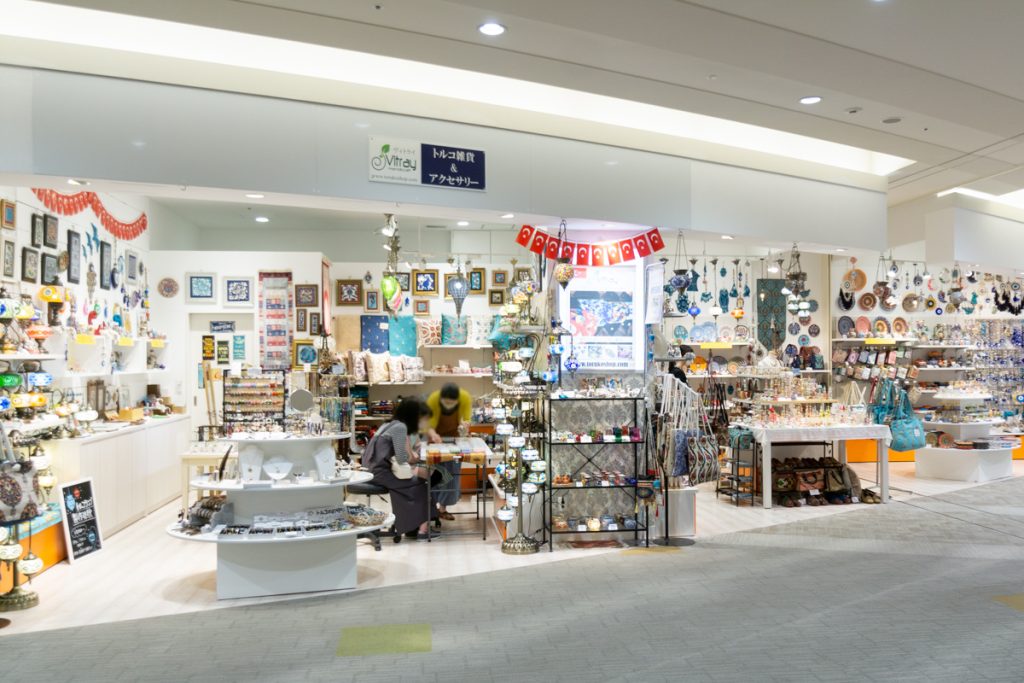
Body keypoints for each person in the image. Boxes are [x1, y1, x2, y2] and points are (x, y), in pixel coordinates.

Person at [361, 397, 439, 540]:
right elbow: (402, 458)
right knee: (422, 483)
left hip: (372, 470)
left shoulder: (388, 424)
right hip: (380, 473)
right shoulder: (400, 427)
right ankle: (422, 531)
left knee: (419, 479)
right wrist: (415, 459)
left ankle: (412, 527)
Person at [424, 382, 472, 520]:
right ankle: (432, 508)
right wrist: (433, 435)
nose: (449, 405)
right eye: (446, 402)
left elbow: (467, 419)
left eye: (452, 403)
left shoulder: (465, 397)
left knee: (451, 474)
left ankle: (443, 509)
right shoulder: (433, 399)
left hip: (454, 439)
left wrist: (465, 424)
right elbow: (428, 423)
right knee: (435, 473)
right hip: (435, 439)